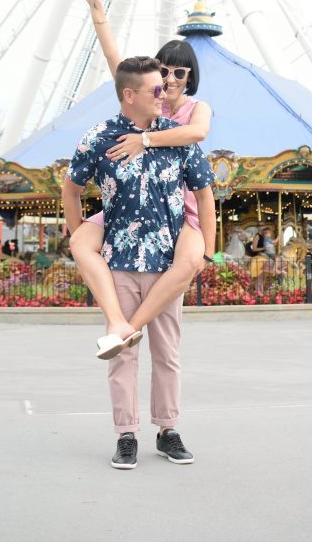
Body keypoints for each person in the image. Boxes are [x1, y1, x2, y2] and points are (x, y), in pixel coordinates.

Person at [63, 56, 216, 469]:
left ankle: (167, 430)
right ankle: (126, 434)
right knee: (122, 357)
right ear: (129, 95)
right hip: (119, 262)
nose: (164, 92)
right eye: (155, 88)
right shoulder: (98, 137)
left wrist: (207, 251)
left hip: (167, 263)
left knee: (167, 354)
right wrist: (80, 238)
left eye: (165, 85)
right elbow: (72, 188)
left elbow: (204, 193)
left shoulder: (178, 137)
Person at [69, 0, 214, 357]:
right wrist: (97, 8)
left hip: (175, 211)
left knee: (188, 264)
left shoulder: (194, 110)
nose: (169, 79)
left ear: (190, 76)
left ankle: (126, 329)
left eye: (179, 72)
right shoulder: (147, 98)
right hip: (131, 203)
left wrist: (143, 140)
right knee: (80, 240)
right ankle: (120, 324)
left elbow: (195, 135)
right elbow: (114, 57)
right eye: (163, 70)